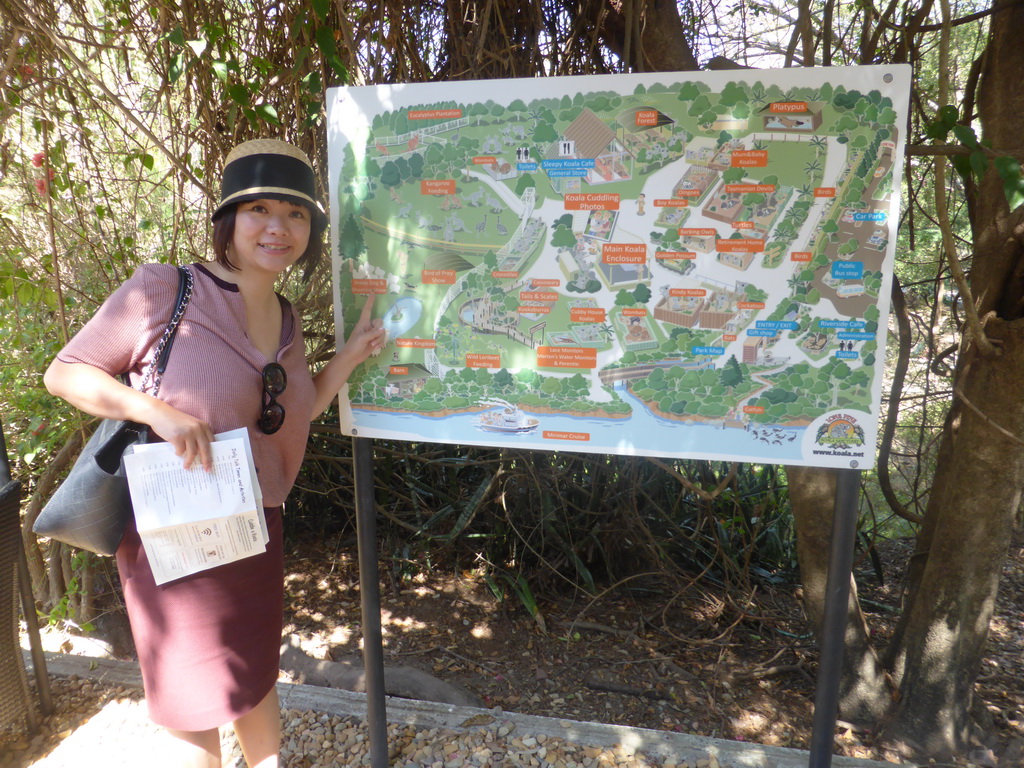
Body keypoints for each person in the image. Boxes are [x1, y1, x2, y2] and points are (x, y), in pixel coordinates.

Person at [43, 138, 385, 768]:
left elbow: (287, 417)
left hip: (254, 529)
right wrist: (157, 411)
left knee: (253, 676)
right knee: (188, 703)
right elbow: (65, 373)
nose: (278, 227)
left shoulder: (285, 319)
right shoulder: (165, 291)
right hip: (173, 538)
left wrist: (348, 359)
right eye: (259, 209)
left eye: (296, 213)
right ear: (229, 220)